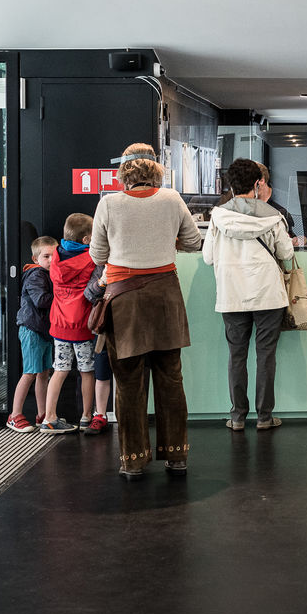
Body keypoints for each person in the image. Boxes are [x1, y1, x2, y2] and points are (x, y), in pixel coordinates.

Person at [90, 143, 203, 479]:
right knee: (170, 378)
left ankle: (133, 460)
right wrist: (166, 241)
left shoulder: (109, 203)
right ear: (156, 171)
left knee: (128, 382)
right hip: (166, 295)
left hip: (124, 301)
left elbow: (98, 256)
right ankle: (176, 455)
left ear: (123, 173)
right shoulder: (172, 199)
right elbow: (194, 241)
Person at [204, 158, 295, 430]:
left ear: (231, 185)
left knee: (237, 356)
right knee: (266, 355)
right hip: (268, 294)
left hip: (232, 294)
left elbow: (208, 257)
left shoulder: (218, 217)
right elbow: (286, 253)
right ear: (258, 184)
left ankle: (237, 417)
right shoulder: (272, 216)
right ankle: (265, 417)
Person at [41, 213, 107, 435]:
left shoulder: (56, 256)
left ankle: (49, 418)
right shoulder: (91, 258)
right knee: (87, 371)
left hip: (59, 324)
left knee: (59, 370)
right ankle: (86, 417)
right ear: (87, 239)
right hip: (82, 325)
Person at [7, 236, 56, 433]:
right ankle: (14, 415)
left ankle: (42, 414)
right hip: (32, 329)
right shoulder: (36, 275)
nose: (51, 260)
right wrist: (63, 295)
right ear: (36, 259)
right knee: (29, 373)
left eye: (55, 255)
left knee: (43, 373)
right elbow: (41, 300)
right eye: (46, 256)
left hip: (42, 330)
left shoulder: (47, 274)